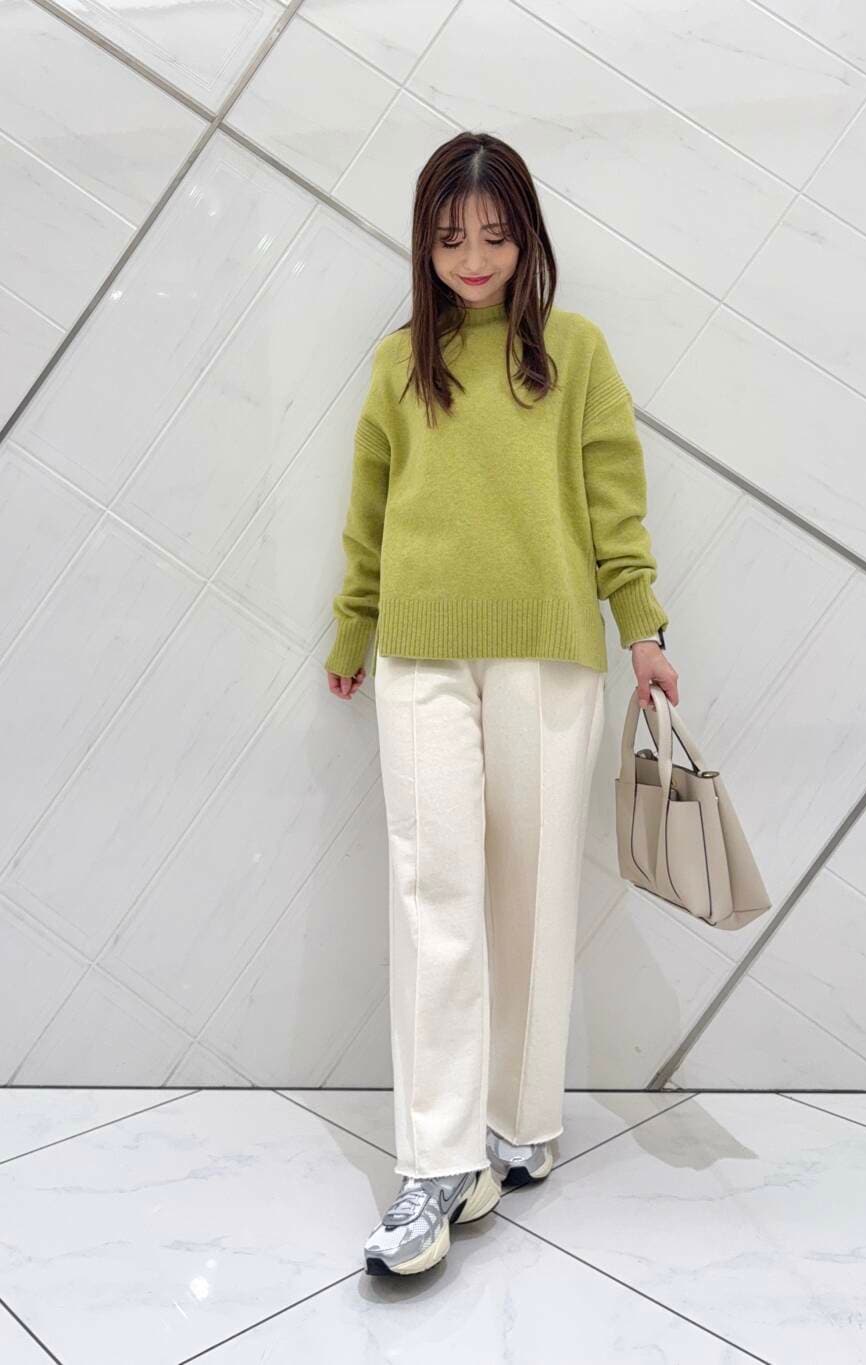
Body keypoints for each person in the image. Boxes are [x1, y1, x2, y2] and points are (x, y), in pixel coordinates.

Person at [324, 131, 679, 1277]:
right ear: (423, 246)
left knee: (529, 893)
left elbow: (613, 503)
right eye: (448, 238)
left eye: (491, 234)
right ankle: (435, 1164)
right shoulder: (398, 365)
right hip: (419, 652)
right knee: (434, 889)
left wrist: (643, 632)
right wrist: (352, 626)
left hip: (547, 655)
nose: (471, 257)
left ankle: (516, 1127)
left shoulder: (574, 353)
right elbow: (369, 508)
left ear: (525, 237)